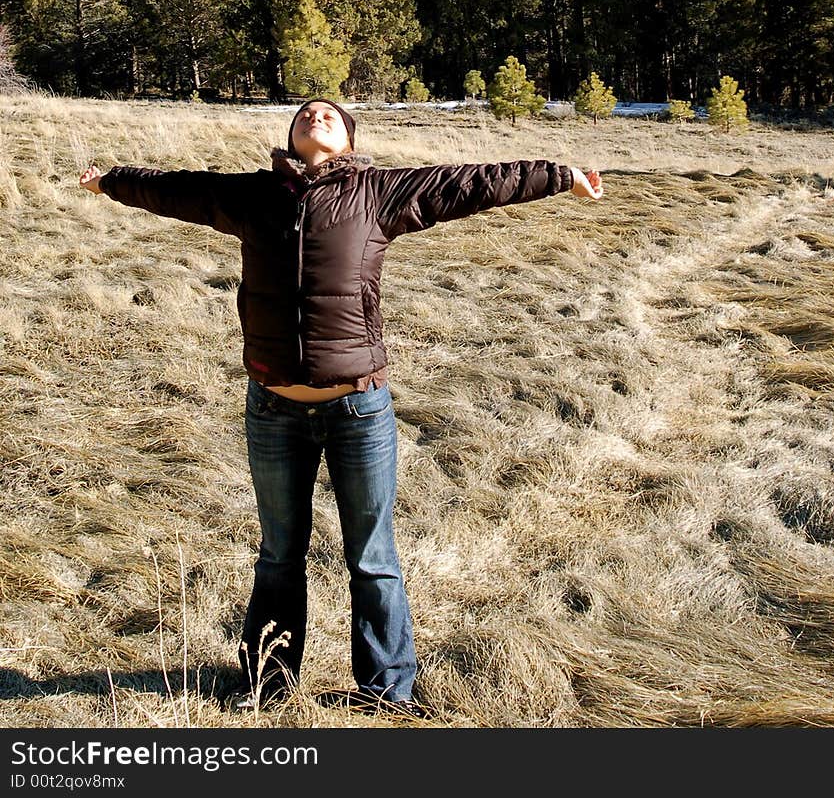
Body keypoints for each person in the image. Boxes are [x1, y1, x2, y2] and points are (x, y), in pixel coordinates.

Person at [78, 97, 604, 717]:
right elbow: (179, 189)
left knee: (373, 557)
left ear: (349, 137)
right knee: (279, 553)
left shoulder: (379, 194)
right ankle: (266, 686)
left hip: (359, 409)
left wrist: (559, 175)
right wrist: (112, 181)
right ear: (290, 135)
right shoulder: (255, 196)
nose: (314, 117)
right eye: (304, 113)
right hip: (273, 407)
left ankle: (388, 693)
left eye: (329, 114)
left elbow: (473, 183)